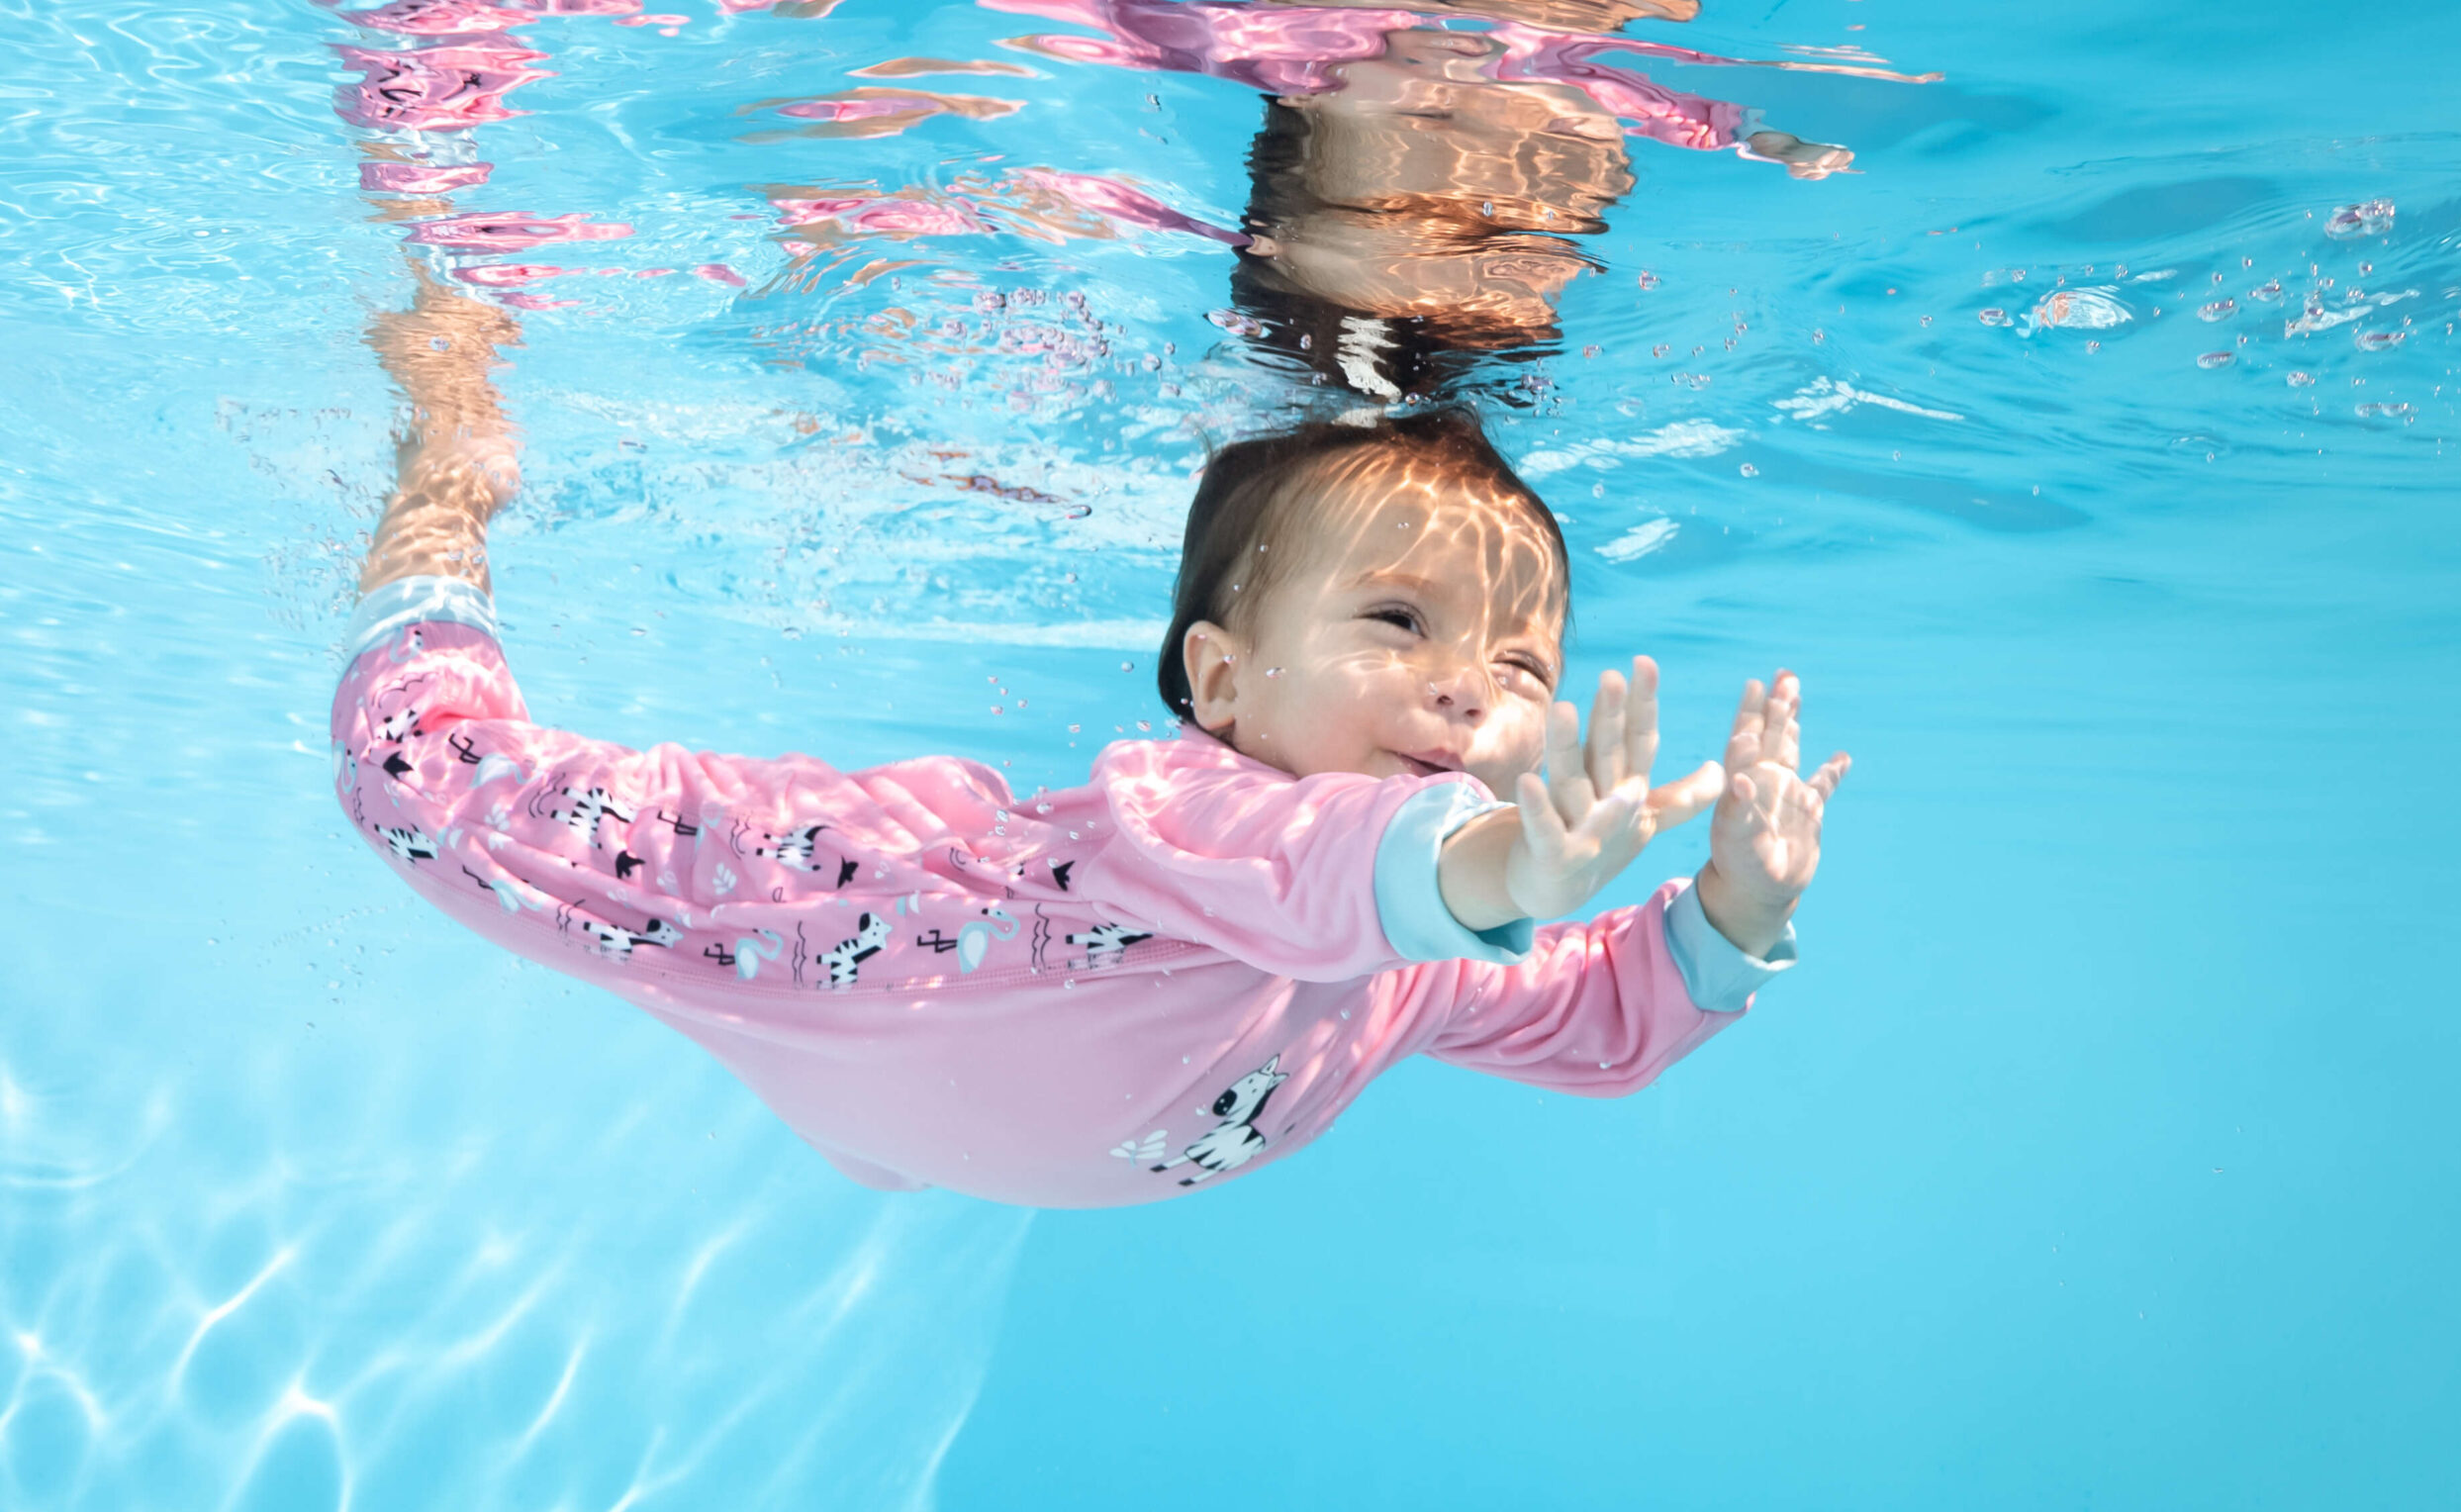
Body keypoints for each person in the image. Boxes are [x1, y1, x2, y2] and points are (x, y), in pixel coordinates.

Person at [333, 267, 1848, 1206]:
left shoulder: (1425, 956)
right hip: (828, 924)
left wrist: (1738, 906)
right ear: (1223, 681)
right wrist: (1516, 866)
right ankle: (447, 471)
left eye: (1519, 663)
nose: (1468, 689)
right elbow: (1350, 861)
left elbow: (1594, 1019)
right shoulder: (1200, 812)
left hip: (920, 1121)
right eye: (1400, 621)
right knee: (414, 770)